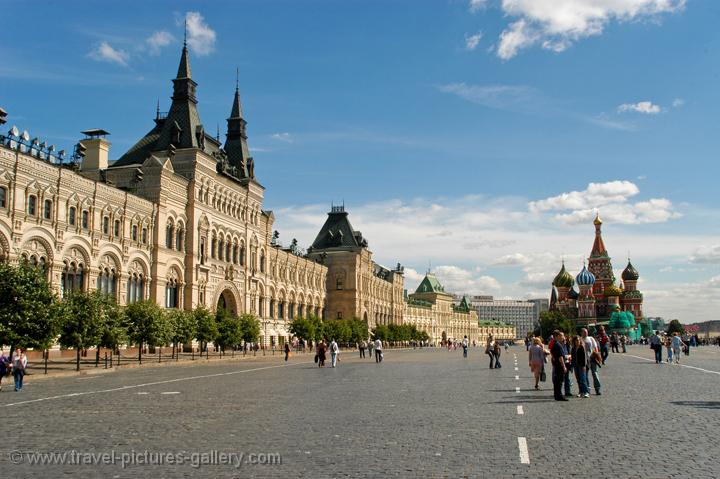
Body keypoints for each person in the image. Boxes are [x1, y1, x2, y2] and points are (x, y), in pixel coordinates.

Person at [581, 328, 601, 395]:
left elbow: (595, 348)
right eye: (584, 332)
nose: (586, 333)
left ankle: (597, 388)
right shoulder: (580, 340)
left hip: (592, 359)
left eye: (586, 332)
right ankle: (588, 389)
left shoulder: (591, 338)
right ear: (582, 333)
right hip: (584, 360)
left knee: (595, 373)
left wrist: (596, 356)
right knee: (585, 375)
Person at [550, 331, 568, 401]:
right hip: (559, 365)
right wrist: (564, 366)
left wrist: (554, 358)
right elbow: (560, 357)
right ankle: (559, 395)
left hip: (556, 364)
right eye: (562, 336)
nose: (563, 337)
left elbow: (551, 352)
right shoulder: (558, 345)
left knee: (557, 381)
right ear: (558, 336)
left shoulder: (555, 344)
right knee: (560, 381)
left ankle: (556, 395)